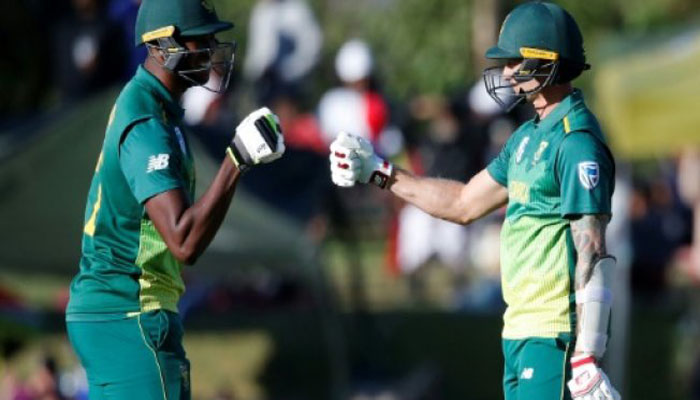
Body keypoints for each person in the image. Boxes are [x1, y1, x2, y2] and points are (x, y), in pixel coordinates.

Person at [329, 2, 621, 400]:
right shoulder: (527, 137)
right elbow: (464, 202)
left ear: (546, 61)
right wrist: (380, 171)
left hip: (555, 335)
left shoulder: (576, 143)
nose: (506, 73)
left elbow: (592, 249)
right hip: (519, 331)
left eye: (514, 61)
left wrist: (588, 352)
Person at [64, 0, 285, 398]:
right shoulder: (148, 122)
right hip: (129, 311)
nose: (212, 48)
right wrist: (236, 159)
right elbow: (184, 240)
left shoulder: (154, 109)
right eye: (202, 39)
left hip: (117, 311)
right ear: (164, 45)